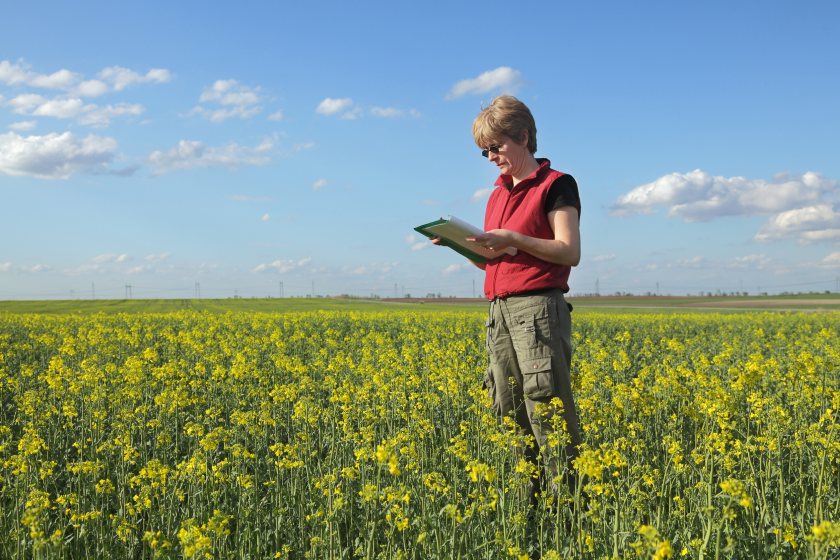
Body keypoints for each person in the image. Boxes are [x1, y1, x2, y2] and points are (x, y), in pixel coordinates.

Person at [440, 95, 583, 504]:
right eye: (483, 150)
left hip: (537, 309)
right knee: (508, 410)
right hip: (499, 310)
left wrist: (513, 238)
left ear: (523, 137)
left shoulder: (557, 185)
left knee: (547, 410)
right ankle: (528, 510)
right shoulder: (496, 196)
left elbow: (568, 251)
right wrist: (457, 245)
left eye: (496, 146)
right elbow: (495, 263)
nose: (490, 157)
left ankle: (569, 510)